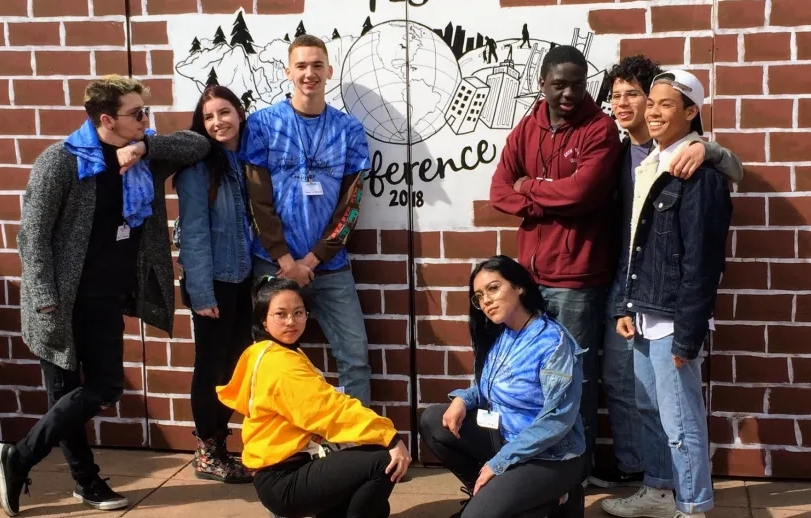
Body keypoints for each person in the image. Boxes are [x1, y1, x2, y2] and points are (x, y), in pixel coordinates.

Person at [0, 75, 210, 517]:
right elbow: (31, 237)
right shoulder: (62, 162)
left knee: (105, 386)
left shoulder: (142, 158)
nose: (146, 120)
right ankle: (85, 481)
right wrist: (45, 301)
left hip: (105, 298)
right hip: (58, 301)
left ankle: (19, 456)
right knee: (65, 394)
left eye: (145, 113)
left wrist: (147, 146)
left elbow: (197, 145)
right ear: (107, 119)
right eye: (137, 115)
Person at [588, 56, 743, 489]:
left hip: (671, 311)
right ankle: (655, 487)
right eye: (648, 102)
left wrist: (688, 334)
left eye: (663, 104)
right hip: (638, 301)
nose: (650, 111)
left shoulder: (696, 168)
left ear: (689, 111)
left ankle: (690, 503)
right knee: (645, 404)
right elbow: (633, 240)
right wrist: (625, 303)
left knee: (679, 417)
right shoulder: (635, 160)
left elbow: (702, 261)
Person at [489, 44, 620, 481]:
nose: (569, 93)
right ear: (541, 83)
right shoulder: (527, 128)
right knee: (531, 373)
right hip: (530, 276)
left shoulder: (600, 130)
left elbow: (583, 193)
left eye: (578, 84)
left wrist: (532, 189)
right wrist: (549, 195)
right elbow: (499, 190)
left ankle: (576, 469)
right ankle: (533, 461)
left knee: (574, 377)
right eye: (559, 84)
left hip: (577, 278)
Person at [241, 34, 372, 406]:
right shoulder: (262, 125)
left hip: (330, 267)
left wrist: (311, 261)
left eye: (317, 65)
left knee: (355, 358)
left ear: (329, 71)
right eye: (301, 66)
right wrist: (286, 262)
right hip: (273, 266)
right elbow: (257, 200)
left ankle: (356, 446)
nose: (309, 73)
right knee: (268, 361)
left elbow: (350, 207)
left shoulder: (350, 131)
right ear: (288, 72)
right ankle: (278, 451)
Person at [215, 276, 411, 518]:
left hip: (291, 467)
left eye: (298, 312)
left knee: (374, 498)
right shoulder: (280, 365)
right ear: (263, 321)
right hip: (284, 479)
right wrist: (389, 436)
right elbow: (327, 410)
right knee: (383, 461)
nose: (291, 321)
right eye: (281, 314)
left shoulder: (269, 351)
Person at [419, 255, 587, 518]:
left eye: (493, 288)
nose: (485, 300)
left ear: (519, 287)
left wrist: (498, 463)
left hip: (548, 456)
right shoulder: (503, 332)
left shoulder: (553, 343)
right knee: (433, 421)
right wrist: (462, 400)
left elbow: (556, 420)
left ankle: (557, 498)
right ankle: (493, 495)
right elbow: (489, 388)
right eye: (478, 296)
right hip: (504, 438)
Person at [174, 86, 257, 483]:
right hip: (214, 283)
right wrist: (202, 294)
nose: (218, 122)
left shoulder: (242, 161)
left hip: (242, 280)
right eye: (208, 117)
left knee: (235, 369)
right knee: (210, 369)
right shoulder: (199, 168)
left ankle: (220, 447)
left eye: (224, 113)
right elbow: (192, 232)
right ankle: (207, 451)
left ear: (240, 114)